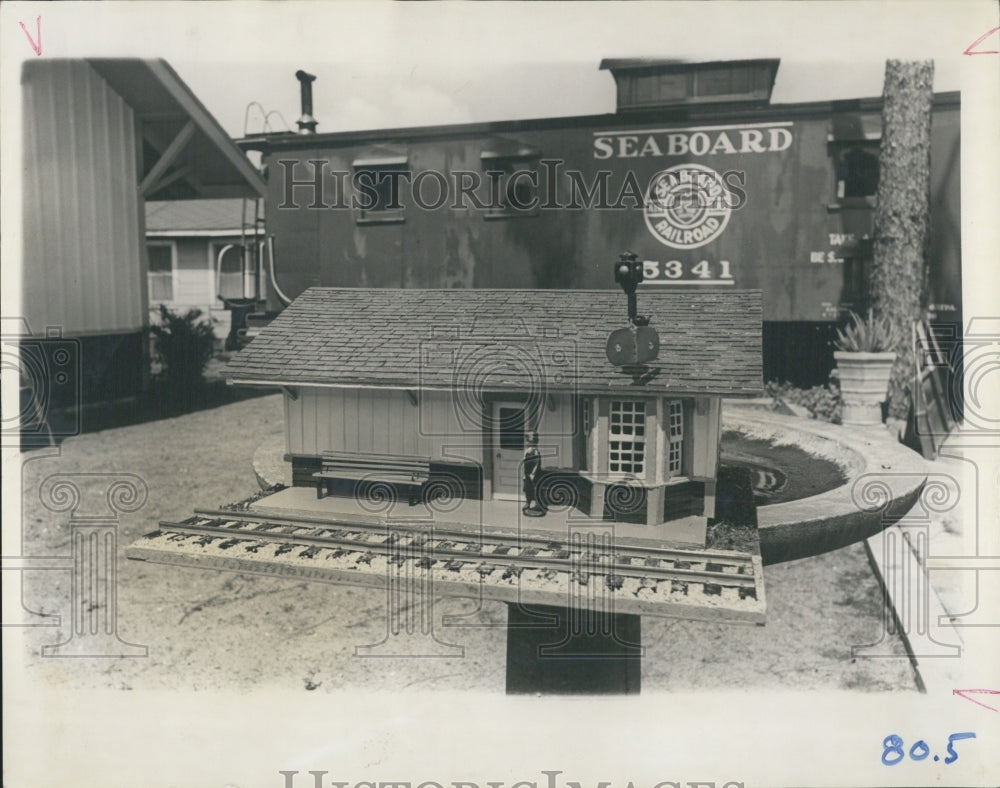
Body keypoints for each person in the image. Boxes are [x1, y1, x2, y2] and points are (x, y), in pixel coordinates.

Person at [522, 430, 545, 516]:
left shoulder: (534, 451)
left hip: (533, 474)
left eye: (527, 440)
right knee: (527, 489)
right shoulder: (528, 450)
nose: (526, 442)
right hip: (527, 473)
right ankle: (528, 503)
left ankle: (537, 505)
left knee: (534, 489)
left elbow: (536, 463)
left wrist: (533, 474)